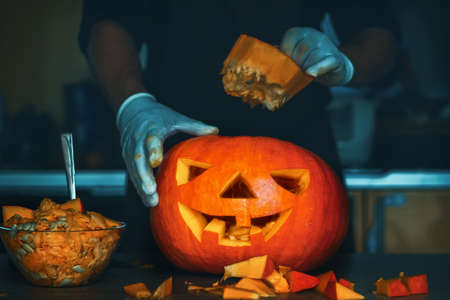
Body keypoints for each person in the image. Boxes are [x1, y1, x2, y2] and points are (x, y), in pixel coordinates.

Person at [78, 1, 398, 253]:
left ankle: (284, 184)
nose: (238, 196)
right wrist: (133, 104)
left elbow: (378, 32)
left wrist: (344, 62)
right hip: (171, 139)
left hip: (301, 143)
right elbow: (108, 19)